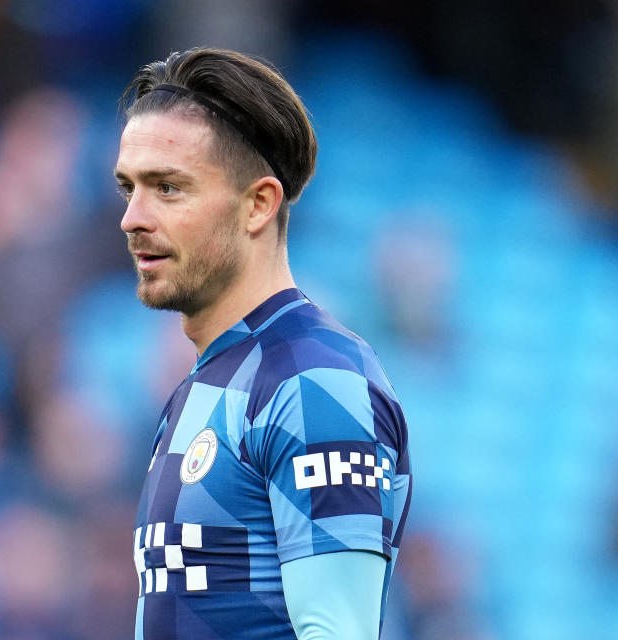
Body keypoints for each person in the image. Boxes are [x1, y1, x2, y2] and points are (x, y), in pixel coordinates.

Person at [114, 48, 412, 640]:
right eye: (129, 188)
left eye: (168, 188)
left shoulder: (313, 379)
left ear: (258, 205)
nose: (132, 217)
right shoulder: (203, 386)